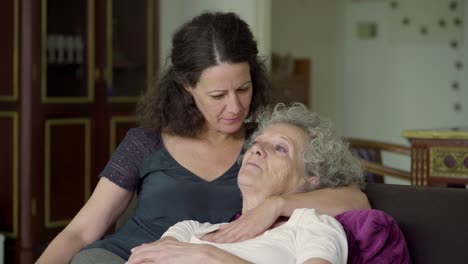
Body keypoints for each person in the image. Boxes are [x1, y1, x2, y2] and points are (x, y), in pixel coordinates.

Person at [36, 12, 369, 264]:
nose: (235, 106)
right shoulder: (145, 142)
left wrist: (276, 205)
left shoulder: (264, 148)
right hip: (120, 257)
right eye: (218, 95)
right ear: (187, 87)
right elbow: (80, 232)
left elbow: (355, 201)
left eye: (243, 89)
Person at [127, 103, 364, 264]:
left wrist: (210, 257)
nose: (258, 149)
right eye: (256, 143)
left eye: (280, 148)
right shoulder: (190, 228)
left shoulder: (313, 227)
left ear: (311, 178)